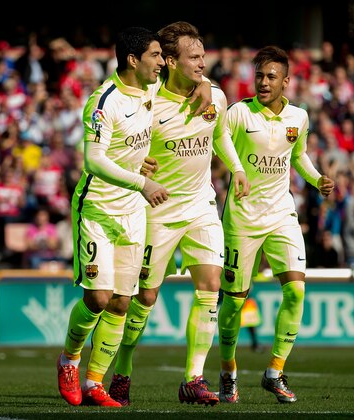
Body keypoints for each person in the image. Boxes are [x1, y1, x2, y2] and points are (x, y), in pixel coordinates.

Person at [55, 26, 212, 407]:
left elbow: (185, 80)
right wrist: (140, 182)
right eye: (156, 56)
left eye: (162, 56)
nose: (162, 63)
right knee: (97, 297)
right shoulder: (102, 102)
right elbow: (93, 160)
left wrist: (204, 83)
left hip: (132, 213)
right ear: (132, 60)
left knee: (122, 303)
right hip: (98, 208)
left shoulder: (150, 91)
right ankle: (69, 359)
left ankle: (95, 384)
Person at [107, 21, 249, 407]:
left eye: (204, 56)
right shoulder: (146, 100)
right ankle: (122, 369)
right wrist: (139, 167)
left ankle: (193, 379)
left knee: (210, 285)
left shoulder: (214, 95)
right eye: (194, 57)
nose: (203, 63)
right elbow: (122, 141)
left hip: (201, 204)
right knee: (146, 297)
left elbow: (220, 135)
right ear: (170, 61)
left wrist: (236, 168)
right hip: (157, 210)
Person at [217, 45, 335, 404]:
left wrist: (317, 180)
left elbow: (297, 157)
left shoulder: (298, 117)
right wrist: (236, 170)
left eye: (271, 77)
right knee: (235, 303)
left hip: (282, 213)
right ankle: (227, 371)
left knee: (296, 290)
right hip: (241, 217)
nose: (263, 82)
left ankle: (274, 371)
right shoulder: (239, 112)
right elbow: (220, 142)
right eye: (259, 76)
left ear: (286, 81)